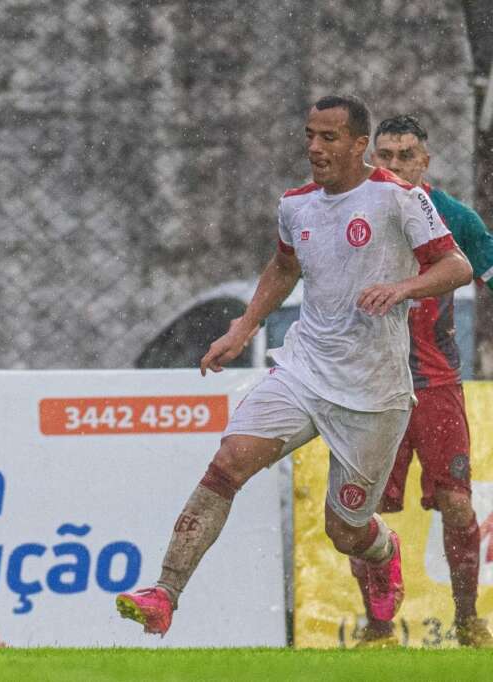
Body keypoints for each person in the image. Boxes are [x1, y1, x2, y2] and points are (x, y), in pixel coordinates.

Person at [115, 95, 473, 640]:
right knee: (229, 462)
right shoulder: (296, 205)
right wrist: (242, 327)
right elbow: (283, 265)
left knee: (344, 530)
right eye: (310, 135)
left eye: (329, 138)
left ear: (359, 146)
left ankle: (379, 550)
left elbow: (457, 265)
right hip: (304, 369)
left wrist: (403, 287)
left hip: (374, 393)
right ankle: (164, 593)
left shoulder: (400, 199)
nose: (315, 147)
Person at [345, 114, 493, 647]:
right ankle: (379, 626)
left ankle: (468, 620)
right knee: (357, 511)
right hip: (367, 382)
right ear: (371, 159)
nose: (395, 165)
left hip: (434, 381)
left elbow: (490, 269)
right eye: (385, 156)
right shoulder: (351, 210)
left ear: (425, 161)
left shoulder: (454, 217)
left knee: (456, 503)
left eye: (406, 155)